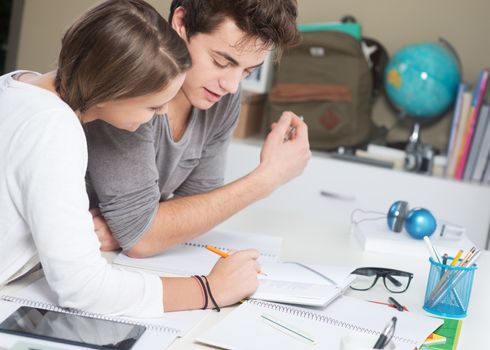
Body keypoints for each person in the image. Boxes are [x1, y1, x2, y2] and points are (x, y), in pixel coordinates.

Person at [0, 0, 261, 317]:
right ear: (112, 87)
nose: (162, 113)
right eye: (153, 107)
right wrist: (209, 289)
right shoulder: (55, 128)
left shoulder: (17, 85)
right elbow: (83, 288)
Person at [86, 0, 311, 257]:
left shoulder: (222, 96)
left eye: (247, 71)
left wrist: (147, 225)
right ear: (181, 23)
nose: (232, 86)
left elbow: (202, 206)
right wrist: (266, 179)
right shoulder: (133, 81)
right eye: (221, 62)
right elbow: (141, 238)